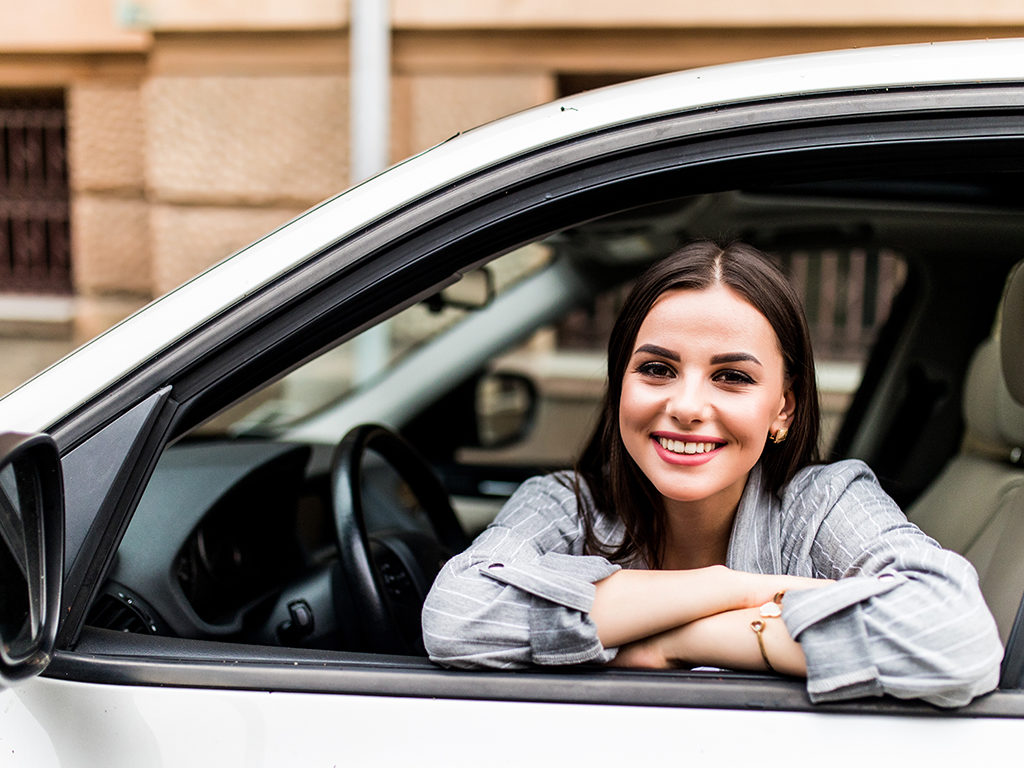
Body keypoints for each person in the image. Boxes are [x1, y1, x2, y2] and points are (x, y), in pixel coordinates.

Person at [422, 241, 1002, 706]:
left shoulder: (823, 502)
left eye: (732, 377)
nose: (688, 405)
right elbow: (455, 616)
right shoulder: (566, 502)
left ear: (784, 407)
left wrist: (681, 640)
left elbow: (956, 638)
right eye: (656, 369)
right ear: (619, 384)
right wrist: (730, 589)